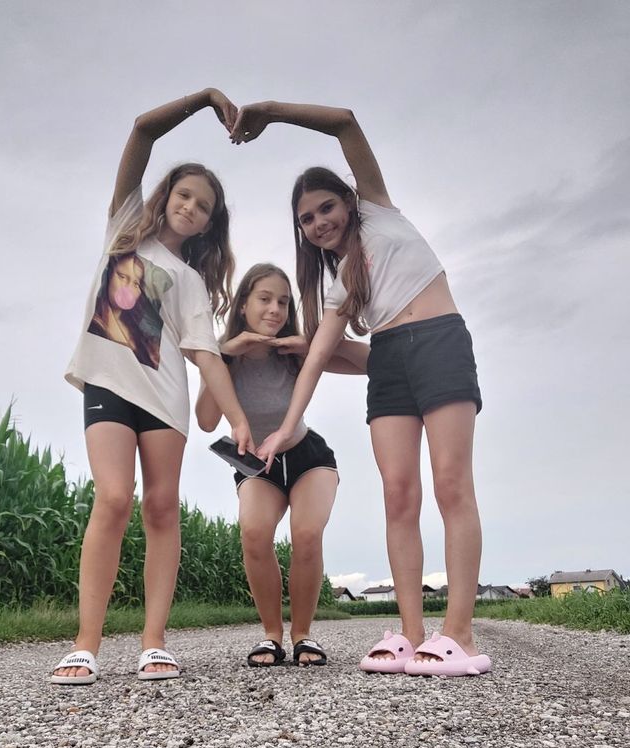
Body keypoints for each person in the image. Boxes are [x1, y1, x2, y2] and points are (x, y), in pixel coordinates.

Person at [229, 101, 491, 677]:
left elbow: (346, 122)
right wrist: (279, 431)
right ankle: (415, 634)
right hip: (389, 362)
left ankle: (462, 633)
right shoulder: (330, 277)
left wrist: (269, 112)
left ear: (348, 200)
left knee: (451, 485)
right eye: (307, 219)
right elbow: (321, 354)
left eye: (326, 208)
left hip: (440, 339)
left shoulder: (378, 211)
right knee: (399, 494)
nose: (320, 222)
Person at [52, 89, 253, 685]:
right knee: (113, 498)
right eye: (184, 195)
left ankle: (153, 642)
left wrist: (238, 418)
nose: (191, 207)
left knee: (162, 509)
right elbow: (141, 132)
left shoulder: (191, 280)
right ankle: (87, 643)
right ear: (165, 196)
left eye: (205, 206)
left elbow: (204, 356)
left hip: (165, 400)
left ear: (211, 223)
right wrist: (205, 101)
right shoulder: (122, 232)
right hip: (108, 385)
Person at [196, 263, 368, 667]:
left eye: (283, 301)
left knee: (306, 534)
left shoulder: (293, 349)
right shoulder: (223, 356)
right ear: (242, 306)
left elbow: (369, 362)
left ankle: (303, 635)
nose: (275, 309)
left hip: (309, 457)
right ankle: (272, 635)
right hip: (258, 466)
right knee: (254, 534)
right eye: (265, 299)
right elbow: (206, 420)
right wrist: (224, 356)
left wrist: (315, 346)